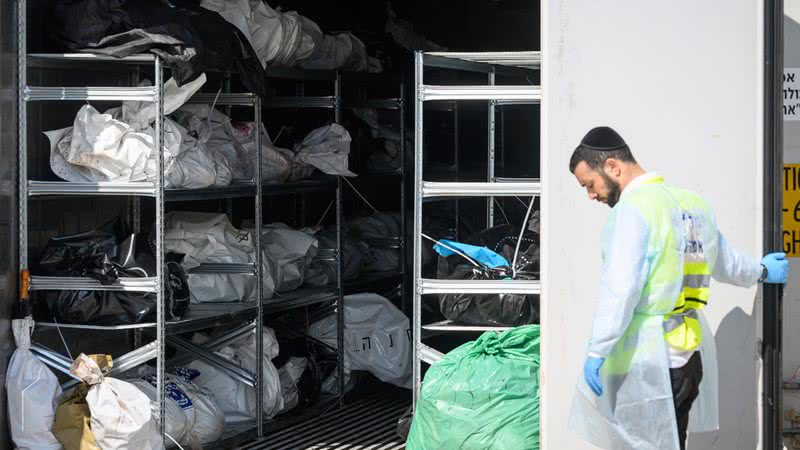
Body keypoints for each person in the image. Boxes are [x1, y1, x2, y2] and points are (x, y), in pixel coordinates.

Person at [566, 126, 788, 450]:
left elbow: (620, 289)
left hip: (647, 364)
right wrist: (763, 270)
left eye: (589, 184)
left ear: (612, 166)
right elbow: (726, 263)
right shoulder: (693, 205)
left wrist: (597, 351)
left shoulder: (634, 210)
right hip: (686, 362)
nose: (591, 195)